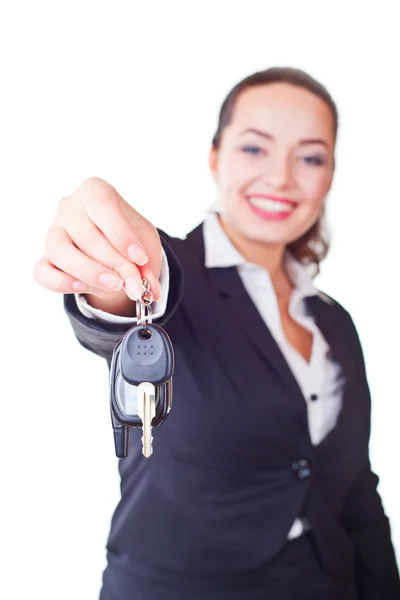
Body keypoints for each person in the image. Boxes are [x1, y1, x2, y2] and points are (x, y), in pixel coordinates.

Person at [33, 67, 400, 599]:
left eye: (311, 156)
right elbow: (126, 308)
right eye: (256, 149)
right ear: (215, 157)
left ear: (331, 175)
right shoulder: (172, 275)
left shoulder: (333, 321)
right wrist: (112, 265)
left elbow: (356, 490)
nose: (281, 177)